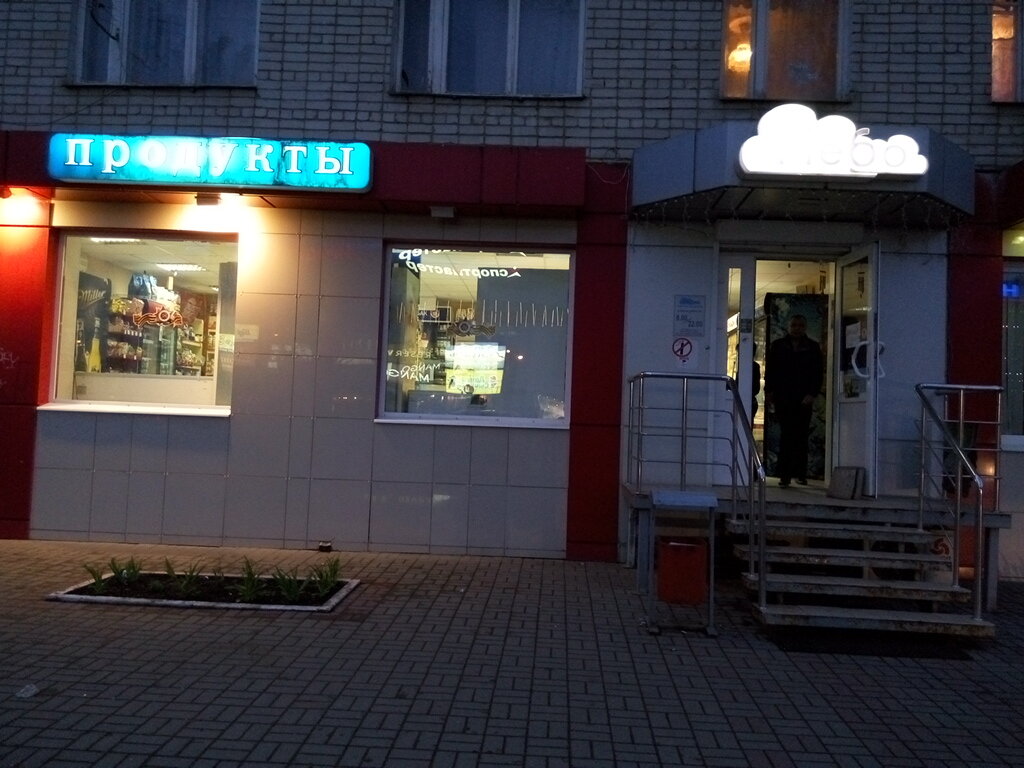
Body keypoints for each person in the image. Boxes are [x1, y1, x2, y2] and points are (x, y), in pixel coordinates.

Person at [764, 314, 823, 487]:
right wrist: (769, 392)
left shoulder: (812, 347)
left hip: (804, 398)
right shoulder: (778, 346)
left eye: (800, 325)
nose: (797, 328)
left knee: (801, 436)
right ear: (789, 327)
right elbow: (771, 370)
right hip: (783, 396)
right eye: (794, 325)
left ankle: (800, 473)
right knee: (786, 435)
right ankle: (785, 475)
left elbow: (817, 372)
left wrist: (812, 393)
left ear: (805, 327)